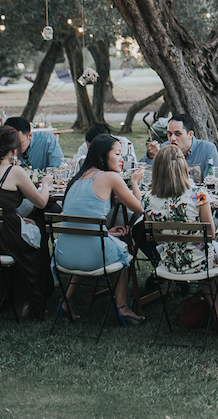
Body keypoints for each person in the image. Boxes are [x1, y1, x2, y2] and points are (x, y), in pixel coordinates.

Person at [55, 134, 147, 326]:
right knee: (123, 254)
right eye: (118, 154)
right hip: (94, 256)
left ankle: (65, 301)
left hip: (64, 254)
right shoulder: (110, 177)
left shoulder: (75, 179)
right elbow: (140, 208)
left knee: (90, 245)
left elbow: (80, 223)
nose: (122, 159)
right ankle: (122, 308)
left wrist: (105, 232)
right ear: (102, 157)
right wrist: (135, 182)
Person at [142, 144, 218, 326]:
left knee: (202, 252)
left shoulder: (147, 199)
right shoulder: (198, 195)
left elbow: (157, 237)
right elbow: (210, 234)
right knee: (207, 252)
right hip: (199, 262)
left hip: (169, 263)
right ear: (184, 167)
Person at [0, 126, 55, 318]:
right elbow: (41, 202)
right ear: (15, 150)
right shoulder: (14, 171)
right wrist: (45, 184)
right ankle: (33, 301)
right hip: (4, 241)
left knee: (32, 228)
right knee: (39, 233)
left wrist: (12, 217)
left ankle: (1, 296)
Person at [142, 113, 218, 182]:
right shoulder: (164, 148)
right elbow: (142, 175)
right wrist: (151, 156)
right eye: (169, 134)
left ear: (190, 134)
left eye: (177, 134)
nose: (172, 138)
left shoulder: (207, 149)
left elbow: (212, 180)